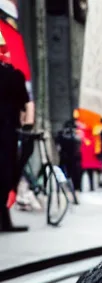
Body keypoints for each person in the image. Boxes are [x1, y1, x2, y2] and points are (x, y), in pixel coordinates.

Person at [0, 39, 31, 232]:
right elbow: (23, 103)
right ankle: (5, 218)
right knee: (7, 172)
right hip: (7, 130)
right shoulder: (14, 75)